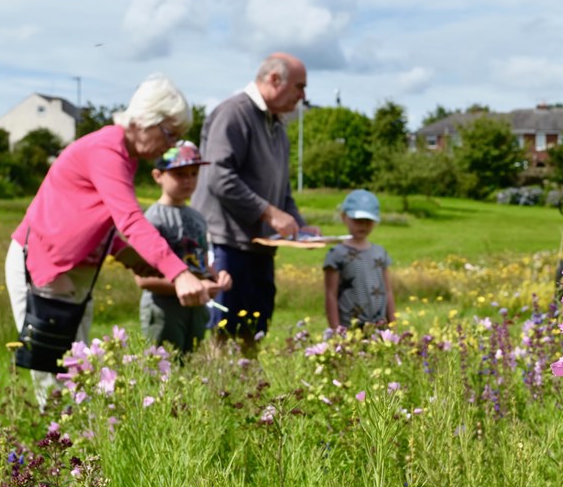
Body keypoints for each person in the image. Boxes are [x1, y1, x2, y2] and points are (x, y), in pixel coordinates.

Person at [5, 74, 210, 409]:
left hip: (72, 273)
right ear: (146, 121)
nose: (169, 146)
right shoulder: (107, 150)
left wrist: (123, 251)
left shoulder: (124, 156)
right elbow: (129, 218)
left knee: (79, 369)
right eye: (169, 134)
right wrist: (179, 272)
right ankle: (55, 451)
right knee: (55, 372)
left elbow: (96, 215)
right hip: (42, 267)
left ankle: (80, 452)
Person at [192, 53, 318, 345]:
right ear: (274, 79)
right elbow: (218, 176)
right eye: (299, 86)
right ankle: (219, 390)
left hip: (259, 249)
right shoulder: (233, 113)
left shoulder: (278, 126)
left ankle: (247, 390)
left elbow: (282, 191)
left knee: (254, 334)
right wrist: (269, 213)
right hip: (226, 245)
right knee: (222, 335)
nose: (303, 96)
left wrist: (300, 225)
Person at [135, 141, 233, 355]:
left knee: (190, 371)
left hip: (197, 309)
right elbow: (143, 279)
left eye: (193, 173)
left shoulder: (197, 218)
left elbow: (202, 263)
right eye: (179, 174)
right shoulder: (152, 219)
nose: (188, 180)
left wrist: (217, 278)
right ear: (158, 176)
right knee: (163, 373)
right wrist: (194, 286)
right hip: (163, 310)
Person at [324, 190, 395, 329]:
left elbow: (388, 291)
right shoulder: (336, 254)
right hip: (349, 328)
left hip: (379, 328)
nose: (363, 225)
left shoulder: (380, 253)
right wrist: (335, 330)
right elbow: (330, 294)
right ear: (344, 217)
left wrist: (393, 325)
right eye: (357, 220)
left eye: (368, 221)